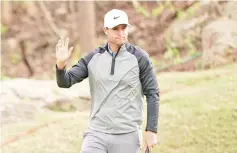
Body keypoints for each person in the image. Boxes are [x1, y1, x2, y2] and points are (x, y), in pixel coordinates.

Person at [56, 9, 159, 153]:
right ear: (105, 30)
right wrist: (61, 66)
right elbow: (66, 81)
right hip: (96, 133)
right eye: (115, 29)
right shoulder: (93, 58)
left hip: (127, 135)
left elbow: (152, 94)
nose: (121, 32)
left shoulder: (140, 58)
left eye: (123, 28)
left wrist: (151, 130)